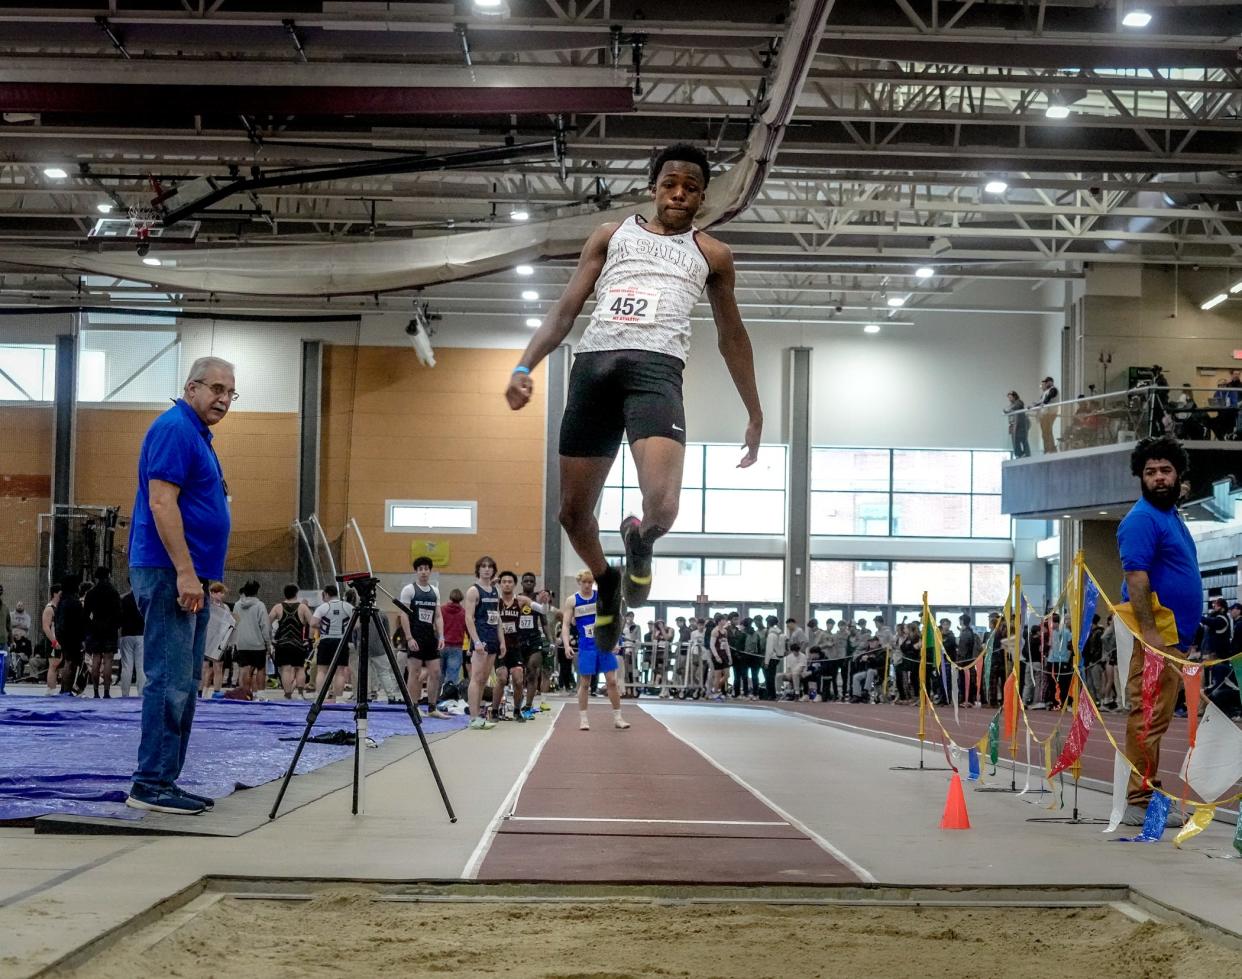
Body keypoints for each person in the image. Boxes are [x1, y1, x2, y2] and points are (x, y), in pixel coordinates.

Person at [504, 143, 763, 655]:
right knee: (572, 515)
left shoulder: (712, 254)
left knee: (663, 506)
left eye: (690, 187)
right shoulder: (611, 235)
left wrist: (755, 412)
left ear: (702, 197)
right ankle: (607, 581)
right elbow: (565, 308)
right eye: (670, 183)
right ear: (654, 187)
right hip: (594, 369)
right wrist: (522, 365)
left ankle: (640, 543)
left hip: (656, 371)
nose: (679, 193)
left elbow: (732, 334)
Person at [125, 356, 235, 814]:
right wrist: (186, 573)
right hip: (169, 572)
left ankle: (165, 779)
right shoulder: (174, 429)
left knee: (186, 683)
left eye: (230, 393)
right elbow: (161, 502)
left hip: (189, 575)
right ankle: (149, 783)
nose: (223, 399)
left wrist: (201, 575)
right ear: (191, 388)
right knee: (169, 682)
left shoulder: (197, 436)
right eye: (215, 389)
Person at [1117, 436, 1200, 829]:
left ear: (1178, 473)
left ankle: (1147, 794)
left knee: (1159, 718)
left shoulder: (1170, 515)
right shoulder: (1141, 519)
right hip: (1157, 637)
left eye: (1165, 470)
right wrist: (1150, 633)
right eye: (1150, 472)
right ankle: (1139, 801)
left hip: (1175, 638)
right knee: (1148, 715)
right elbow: (1135, 576)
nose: (1159, 477)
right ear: (1140, 478)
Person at [563, 569, 629, 731]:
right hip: (586, 646)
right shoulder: (572, 600)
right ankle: (584, 719)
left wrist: (614, 640)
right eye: (584, 582)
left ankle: (618, 718)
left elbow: (615, 618)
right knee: (585, 684)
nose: (587, 585)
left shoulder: (600, 596)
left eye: (590, 582)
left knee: (612, 681)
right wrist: (566, 645)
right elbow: (565, 624)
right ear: (579, 582)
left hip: (604, 644)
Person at [399, 556, 447, 718]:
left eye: (426, 569)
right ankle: (414, 706)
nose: (424, 572)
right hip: (415, 636)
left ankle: (432, 707)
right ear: (416, 572)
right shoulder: (409, 590)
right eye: (420, 569)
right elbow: (403, 615)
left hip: (430, 637)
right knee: (415, 672)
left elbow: (438, 616)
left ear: (430, 571)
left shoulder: (435, 591)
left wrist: (441, 636)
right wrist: (409, 638)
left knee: (435, 672)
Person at [464, 556, 503, 730]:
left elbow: (498, 618)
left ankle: (479, 714)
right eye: (483, 566)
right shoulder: (473, 590)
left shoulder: (495, 590)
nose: (486, 569)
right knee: (476, 677)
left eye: (490, 567)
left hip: (493, 638)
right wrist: (476, 641)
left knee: (484, 680)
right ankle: (473, 717)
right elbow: (468, 618)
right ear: (478, 569)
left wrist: (502, 641)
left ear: (494, 570)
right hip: (481, 639)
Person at [494, 570, 529, 723]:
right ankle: (494, 710)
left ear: (514, 585)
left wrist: (544, 601)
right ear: (500, 584)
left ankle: (517, 710)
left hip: (516, 647)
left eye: (510, 582)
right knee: (501, 679)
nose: (507, 584)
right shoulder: (495, 601)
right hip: (500, 647)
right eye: (504, 582)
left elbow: (542, 610)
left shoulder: (521, 601)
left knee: (518, 680)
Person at [310, 584, 353, 704]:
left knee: (322, 670)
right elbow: (357, 624)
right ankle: (337, 698)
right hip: (341, 640)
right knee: (340, 671)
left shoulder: (323, 607)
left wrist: (324, 626)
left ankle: (320, 697)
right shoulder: (348, 606)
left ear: (327, 594)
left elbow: (313, 623)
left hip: (326, 640)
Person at [83, 566, 122, 699]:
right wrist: (115, 626)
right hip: (110, 629)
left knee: (96, 659)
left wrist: (90, 627)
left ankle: (95, 691)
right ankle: (106, 691)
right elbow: (118, 613)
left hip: (95, 629)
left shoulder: (91, 593)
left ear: (96, 577)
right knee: (108, 660)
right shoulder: (114, 592)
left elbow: (85, 614)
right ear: (109, 576)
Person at [269, 584, 312, 699]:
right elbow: (312, 623)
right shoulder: (303, 607)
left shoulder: (278, 607)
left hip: (282, 644)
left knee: (286, 669)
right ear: (296, 594)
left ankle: (287, 694)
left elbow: (267, 622)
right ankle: (300, 694)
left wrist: (271, 638)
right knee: (300, 668)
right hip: (298, 643)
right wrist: (309, 639)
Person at [232, 579, 270, 696]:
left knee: (244, 668)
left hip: (241, 642)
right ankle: (260, 694)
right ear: (256, 591)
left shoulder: (237, 605)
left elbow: (234, 622)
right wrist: (268, 642)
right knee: (260, 669)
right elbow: (264, 625)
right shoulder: (260, 605)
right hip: (257, 643)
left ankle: (245, 693)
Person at [55, 574, 88, 695]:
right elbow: (79, 622)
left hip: (64, 635)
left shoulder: (62, 601)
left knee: (68, 661)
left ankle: (64, 689)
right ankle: (66, 689)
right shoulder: (73, 602)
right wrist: (82, 638)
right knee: (71, 663)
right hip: (72, 636)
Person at [200, 582, 234, 697]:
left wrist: (227, 640)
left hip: (219, 641)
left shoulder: (225, 608)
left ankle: (217, 691)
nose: (222, 595)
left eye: (223, 593)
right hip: (206, 639)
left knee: (218, 667)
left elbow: (229, 624)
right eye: (220, 593)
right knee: (204, 667)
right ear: (213, 593)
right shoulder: (207, 606)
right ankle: (201, 691)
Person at [118, 587, 145, 697]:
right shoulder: (144, 598)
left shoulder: (124, 599)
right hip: (142, 634)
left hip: (127, 634)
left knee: (126, 666)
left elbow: (120, 617)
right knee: (141, 666)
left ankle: (125, 693)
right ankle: (141, 693)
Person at [440, 587, 466, 699]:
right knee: (452, 676)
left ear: (450, 597)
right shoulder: (464, 612)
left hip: (441, 645)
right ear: (461, 599)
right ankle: (448, 698)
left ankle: (435, 699)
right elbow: (468, 629)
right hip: (456, 647)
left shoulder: (441, 609)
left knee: (438, 675)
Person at [42, 583, 62, 694]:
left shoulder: (59, 608)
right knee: (53, 665)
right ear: (55, 593)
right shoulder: (49, 609)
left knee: (59, 665)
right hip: (52, 642)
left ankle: (55, 689)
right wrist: (54, 641)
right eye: (60, 593)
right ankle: (50, 690)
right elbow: (45, 627)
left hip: (59, 641)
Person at [1034, 376, 1059, 453]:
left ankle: (1050, 449)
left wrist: (1041, 403)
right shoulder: (1046, 391)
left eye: (1047, 382)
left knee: (1047, 432)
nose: (1046, 383)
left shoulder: (1053, 390)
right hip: (1045, 414)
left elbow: (1047, 399)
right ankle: (1047, 449)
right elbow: (1042, 401)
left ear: (1051, 382)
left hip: (1050, 413)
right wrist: (1034, 405)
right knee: (1045, 432)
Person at [1005, 391, 1031, 457]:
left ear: (1014, 396)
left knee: (1023, 439)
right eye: (1009, 398)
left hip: (1021, 424)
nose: (1009, 399)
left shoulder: (1019, 402)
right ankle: (1019, 454)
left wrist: (1009, 409)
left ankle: (1026, 453)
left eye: (1010, 397)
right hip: (1014, 425)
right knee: (1015, 440)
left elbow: (1016, 407)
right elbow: (1006, 410)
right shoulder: (1011, 405)